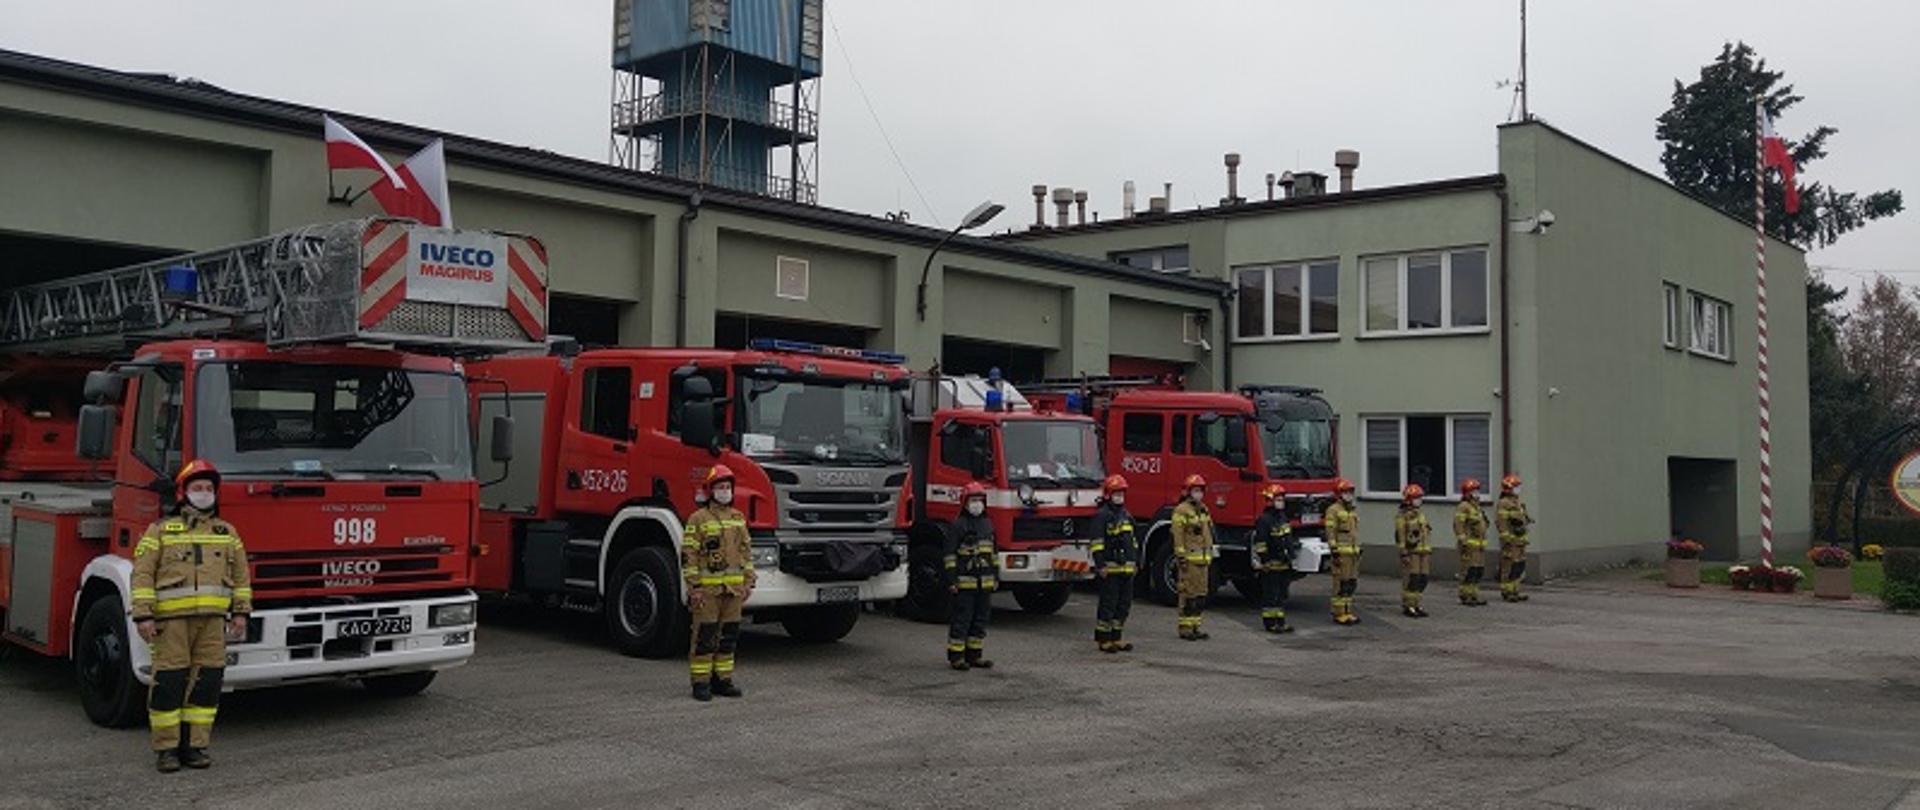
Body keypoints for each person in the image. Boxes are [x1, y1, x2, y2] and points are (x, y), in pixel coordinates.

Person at [131, 460, 251, 773]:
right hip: (170, 624)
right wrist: (143, 616)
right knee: (169, 682)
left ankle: (196, 747)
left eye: (209, 489)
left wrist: (240, 613)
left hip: (212, 623)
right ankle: (166, 750)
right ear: (183, 493)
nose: (204, 493)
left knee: (207, 684)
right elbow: (142, 575)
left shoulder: (228, 533)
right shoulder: (160, 531)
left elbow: (241, 577)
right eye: (197, 488)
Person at [683, 464, 756, 701]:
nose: (724, 491)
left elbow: (746, 552)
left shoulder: (738, 518)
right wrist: (694, 587)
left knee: (728, 637)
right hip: (708, 592)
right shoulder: (698, 518)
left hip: (733, 591)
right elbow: (689, 554)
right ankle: (700, 683)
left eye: (727, 487)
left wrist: (749, 582)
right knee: (705, 637)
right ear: (710, 490)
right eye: (720, 487)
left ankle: (723, 680)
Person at [943, 481, 999, 670]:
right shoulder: (958, 525)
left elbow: (994, 554)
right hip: (965, 583)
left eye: (980, 500)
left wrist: (996, 577)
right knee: (962, 620)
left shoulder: (988, 524)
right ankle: (956, 657)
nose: (977, 503)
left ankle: (975, 655)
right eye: (973, 499)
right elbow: (949, 555)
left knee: (981, 620)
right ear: (965, 502)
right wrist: (951, 580)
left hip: (985, 583)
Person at [1089, 475, 1139, 653]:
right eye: (1117, 493)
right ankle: (1104, 639)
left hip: (1126, 568)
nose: (1120, 496)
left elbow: (1133, 541)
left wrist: (1135, 562)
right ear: (1108, 494)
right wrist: (1100, 565)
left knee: (1123, 605)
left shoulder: (1126, 515)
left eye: (1122, 493)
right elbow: (1097, 543)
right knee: (1108, 604)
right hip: (1110, 569)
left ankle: (1117, 638)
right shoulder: (1102, 516)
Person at [1170, 474, 1215, 640]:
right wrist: (1180, 556)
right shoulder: (1181, 510)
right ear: (1188, 492)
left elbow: (1207, 533)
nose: (1199, 493)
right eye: (1195, 490)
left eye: (1201, 490)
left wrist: (1211, 552)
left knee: (1200, 595)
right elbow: (1178, 535)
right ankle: (1185, 628)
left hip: (1203, 560)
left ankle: (1195, 626)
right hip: (1189, 561)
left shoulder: (1204, 509)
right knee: (1188, 594)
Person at [1250, 483, 1298, 633]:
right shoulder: (1264, 520)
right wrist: (1265, 560)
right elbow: (1261, 543)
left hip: (1283, 564)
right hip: (1271, 564)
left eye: (1282, 498)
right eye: (1278, 498)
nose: (1281, 501)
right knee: (1271, 595)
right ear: (1270, 500)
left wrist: (1291, 555)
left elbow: (1287, 538)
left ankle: (1280, 621)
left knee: (1281, 595)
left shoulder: (1282, 517)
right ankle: (1270, 623)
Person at [1324, 478, 1362, 625]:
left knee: (1350, 583)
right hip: (1341, 553)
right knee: (1340, 583)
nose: (1349, 494)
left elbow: (1354, 534)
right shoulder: (1333, 510)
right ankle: (1338, 612)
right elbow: (1330, 532)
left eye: (1351, 492)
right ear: (1339, 494)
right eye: (1346, 492)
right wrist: (1334, 551)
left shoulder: (1352, 511)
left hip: (1353, 553)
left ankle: (1347, 610)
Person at [1395, 484, 1433, 618]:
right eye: (1416, 498)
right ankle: (1408, 605)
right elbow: (1400, 536)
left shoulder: (1421, 515)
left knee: (1423, 579)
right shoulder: (1403, 516)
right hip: (1412, 553)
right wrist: (1403, 552)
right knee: (1412, 579)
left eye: (1420, 497)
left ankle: (1417, 604)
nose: (1419, 500)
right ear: (1409, 499)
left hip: (1423, 552)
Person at [1496, 474, 1535, 602]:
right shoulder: (1504, 503)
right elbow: (1501, 522)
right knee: (1510, 566)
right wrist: (1506, 539)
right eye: (1516, 486)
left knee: (1519, 566)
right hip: (1511, 541)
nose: (1518, 489)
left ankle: (1515, 590)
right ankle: (1507, 592)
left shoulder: (1516, 502)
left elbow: (1521, 518)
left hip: (1520, 541)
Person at [1453, 478, 1490, 606]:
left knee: (1477, 571)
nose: (1477, 493)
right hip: (1469, 546)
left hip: (1478, 545)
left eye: (1477, 490)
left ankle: (1473, 594)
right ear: (1467, 493)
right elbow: (1459, 525)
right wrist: (1463, 542)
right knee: (1468, 571)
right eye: (1474, 491)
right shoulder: (1464, 507)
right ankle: (1465, 595)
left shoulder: (1477, 507)